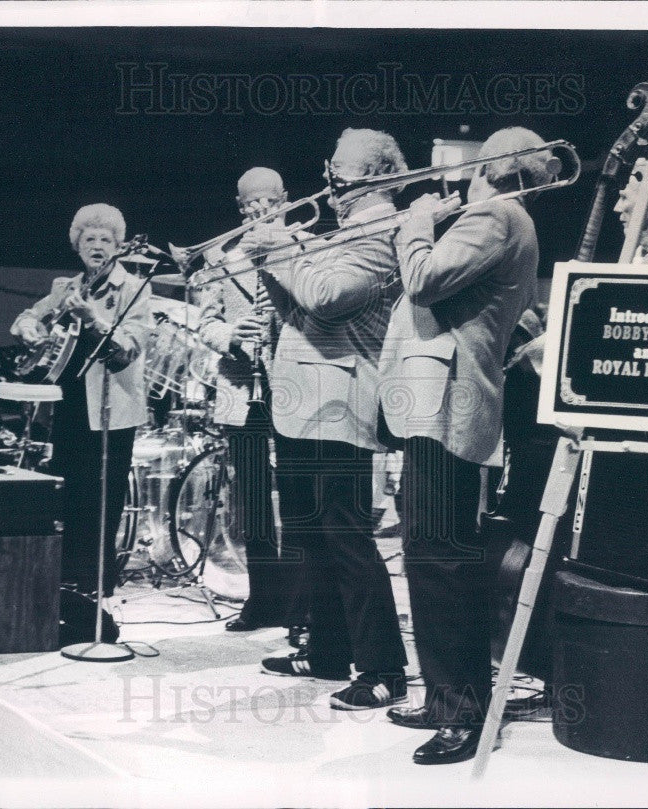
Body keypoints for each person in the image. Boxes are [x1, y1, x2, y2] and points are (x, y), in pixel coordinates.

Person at [378, 127, 546, 764]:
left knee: (442, 561)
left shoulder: (497, 215)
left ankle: (462, 713)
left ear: (496, 167)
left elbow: (422, 280)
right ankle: (444, 692)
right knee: (426, 555)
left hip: (449, 405)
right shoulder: (503, 217)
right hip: (437, 403)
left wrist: (416, 223)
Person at [257, 129, 409, 711]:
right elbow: (299, 309)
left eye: (340, 171)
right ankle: (326, 650)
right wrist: (273, 271)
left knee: (345, 536)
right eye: (330, 166)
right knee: (309, 534)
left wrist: (279, 252)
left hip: (341, 402)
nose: (328, 181)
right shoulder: (343, 230)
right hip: (301, 397)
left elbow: (328, 296)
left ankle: (383, 669)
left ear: (373, 175)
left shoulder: (380, 229)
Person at [11, 203, 151, 598]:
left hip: (113, 407)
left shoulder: (135, 287)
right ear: (77, 245)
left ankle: (97, 584)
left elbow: (127, 351)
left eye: (106, 239)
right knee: (69, 491)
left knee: (103, 498)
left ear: (119, 246)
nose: (98, 245)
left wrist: (92, 319)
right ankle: (67, 580)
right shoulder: (66, 287)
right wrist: (29, 330)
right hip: (70, 401)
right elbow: (25, 317)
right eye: (89, 238)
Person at [194, 167, 308, 634]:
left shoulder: (301, 248)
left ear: (284, 199)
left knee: (301, 499)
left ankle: (302, 609)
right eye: (249, 205)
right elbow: (206, 323)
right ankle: (265, 599)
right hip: (242, 391)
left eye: (268, 202)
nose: (259, 210)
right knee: (253, 502)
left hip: (294, 388)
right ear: (239, 208)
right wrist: (231, 337)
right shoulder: (220, 259)